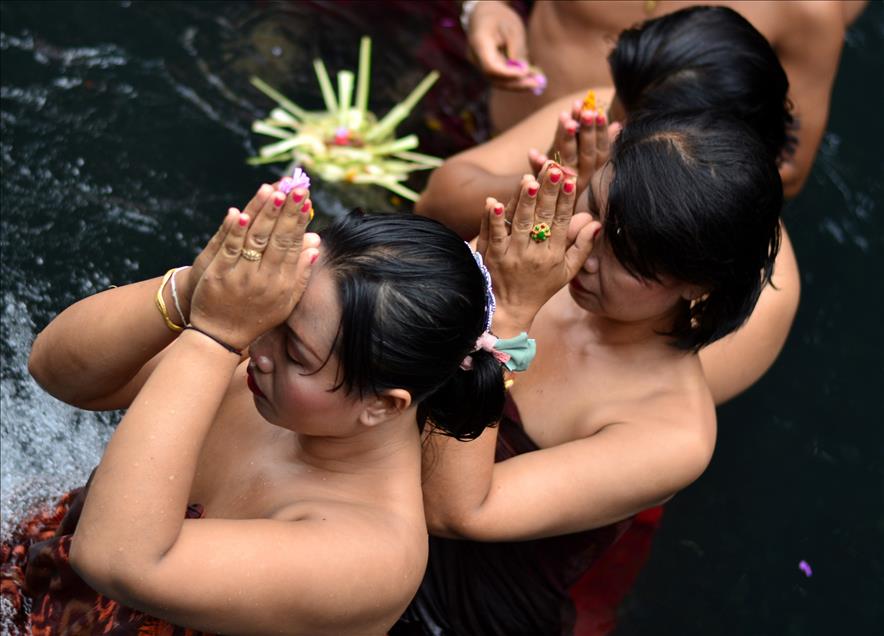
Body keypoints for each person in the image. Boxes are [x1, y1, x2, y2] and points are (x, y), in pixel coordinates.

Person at [15, 182, 522, 634]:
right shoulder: (260, 370)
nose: (258, 346)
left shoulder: (372, 554)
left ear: (382, 405)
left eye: (295, 351)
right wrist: (196, 288)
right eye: (274, 313)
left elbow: (113, 558)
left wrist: (213, 334)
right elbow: (56, 373)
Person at [394, 111, 783, 635]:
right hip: (369, 497)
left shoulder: (673, 433)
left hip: (450, 611)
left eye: (626, 253)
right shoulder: (543, 252)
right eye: (594, 204)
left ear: (698, 285)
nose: (585, 248)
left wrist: (505, 314)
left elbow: (455, 511)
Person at [418, 6, 800, 405]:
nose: (607, 140)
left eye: (627, 135)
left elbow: (535, 409)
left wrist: (506, 321)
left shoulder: (759, 304)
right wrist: (551, 186)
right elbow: (431, 205)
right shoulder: (613, 120)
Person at [464, 0, 866, 196]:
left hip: (623, 220)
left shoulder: (806, 11)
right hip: (473, 125)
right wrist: (483, 8)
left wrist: (623, 192)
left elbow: (787, 168)